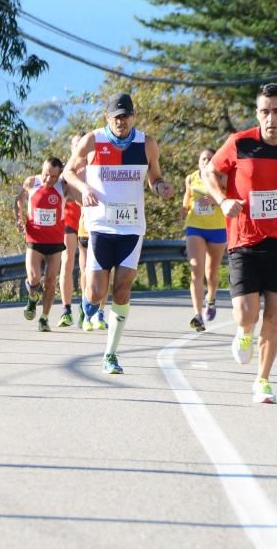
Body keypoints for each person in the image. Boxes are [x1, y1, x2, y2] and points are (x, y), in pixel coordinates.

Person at [202, 83, 277, 404]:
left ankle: (263, 380)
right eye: (264, 111)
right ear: (258, 114)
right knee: (246, 313)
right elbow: (209, 172)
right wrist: (223, 199)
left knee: (274, 314)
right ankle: (243, 333)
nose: (271, 118)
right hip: (244, 240)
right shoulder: (239, 143)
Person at [62, 93, 173, 374]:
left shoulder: (146, 144)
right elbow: (68, 172)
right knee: (97, 292)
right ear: (107, 118)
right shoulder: (93, 140)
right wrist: (85, 188)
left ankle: (110, 354)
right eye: (116, 117)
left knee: (122, 289)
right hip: (100, 225)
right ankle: (88, 301)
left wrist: (161, 188)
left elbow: (154, 177)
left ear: (133, 116)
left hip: (132, 226)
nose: (121, 121)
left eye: (126, 116)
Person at [15, 157, 68, 332]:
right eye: (46, 174)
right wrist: (19, 219)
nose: (48, 180)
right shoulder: (32, 182)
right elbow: (19, 199)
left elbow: (81, 197)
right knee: (34, 278)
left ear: (59, 174)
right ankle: (32, 298)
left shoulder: (63, 186)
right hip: (34, 238)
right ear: (42, 170)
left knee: (51, 281)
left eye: (53, 176)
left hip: (55, 240)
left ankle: (44, 318)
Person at [180, 148, 227, 332]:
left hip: (217, 229)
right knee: (195, 270)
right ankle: (198, 315)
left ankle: (212, 298)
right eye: (203, 159)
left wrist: (214, 200)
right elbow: (188, 196)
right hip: (195, 227)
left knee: (211, 272)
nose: (206, 161)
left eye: (209, 159)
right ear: (199, 161)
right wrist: (183, 208)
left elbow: (229, 196)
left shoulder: (221, 177)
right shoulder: (191, 178)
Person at [58, 133, 84, 328]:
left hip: (88, 222)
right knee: (67, 263)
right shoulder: (64, 172)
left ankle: (87, 308)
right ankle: (66, 309)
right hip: (67, 221)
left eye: (81, 145)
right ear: (71, 146)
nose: (78, 149)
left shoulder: (95, 167)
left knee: (87, 267)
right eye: (76, 145)